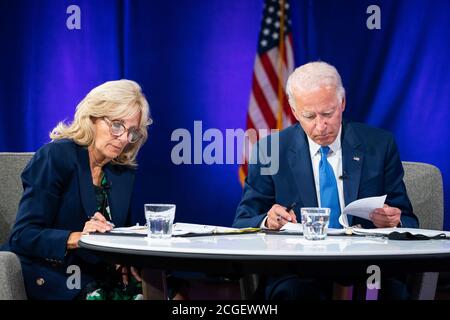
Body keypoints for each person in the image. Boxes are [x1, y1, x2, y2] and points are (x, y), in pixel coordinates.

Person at [233, 61, 419, 300]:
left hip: (368, 266)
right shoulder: (270, 151)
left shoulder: (379, 145)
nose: (320, 126)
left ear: (342, 103)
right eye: (309, 116)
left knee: (392, 292)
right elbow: (243, 221)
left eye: (328, 113)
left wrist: (394, 220)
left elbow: (409, 221)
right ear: (294, 111)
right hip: (299, 270)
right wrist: (268, 221)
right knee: (293, 293)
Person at [1, 80, 151, 300]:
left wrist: (125, 259)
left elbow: (122, 232)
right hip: (56, 273)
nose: (123, 139)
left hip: (102, 274)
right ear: (92, 118)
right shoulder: (56, 157)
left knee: (173, 292)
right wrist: (79, 237)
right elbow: (23, 235)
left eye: (132, 132)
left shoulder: (122, 172)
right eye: (117, 125)